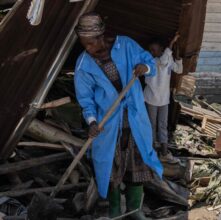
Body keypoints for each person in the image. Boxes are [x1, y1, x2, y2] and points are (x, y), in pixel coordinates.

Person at [74, 13, 163, 219]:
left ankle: (135, 210)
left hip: (135, 120)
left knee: (137, 164)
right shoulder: (84, 64)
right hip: (108, 125)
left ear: (100, 37)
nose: (87, 48)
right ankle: (114, 211)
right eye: (83, 44)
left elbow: (150, 65)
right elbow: (86, 100)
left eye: (89, 43)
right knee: (110, 169)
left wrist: (145, 67)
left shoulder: (126, 46)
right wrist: (92, 122)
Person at [144, 33, 183, 163]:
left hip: (164, 99)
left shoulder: (167, 58)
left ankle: (164, 152)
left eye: (154, 50)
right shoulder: (150, 61)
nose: (152, 52)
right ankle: (153, 151)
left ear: (161, 49)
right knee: (152, 125)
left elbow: (178, 69)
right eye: (151, 50)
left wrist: (177, 57)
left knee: (162, 125)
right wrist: (171, 45)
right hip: (151, 99)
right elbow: (162, 62)